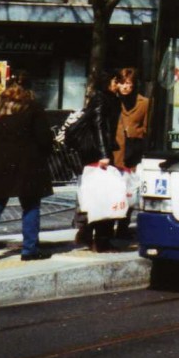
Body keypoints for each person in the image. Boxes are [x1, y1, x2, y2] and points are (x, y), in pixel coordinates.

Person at [0, 73, 53, 264]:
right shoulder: (33, 107)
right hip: (28, 162)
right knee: (31, 205)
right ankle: (29, 250)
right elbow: (44, 138)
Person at [74, 71, 121, 252]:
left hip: (100, 152)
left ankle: (89, 234)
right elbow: (99, 126)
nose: (117, 84)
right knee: (104, 195)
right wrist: (104, 153)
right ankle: (100, 239)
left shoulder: (109, 98)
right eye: (115, 81)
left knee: (98, 195)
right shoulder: (102, 99)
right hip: (98, 154)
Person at [111, 68, 149, 238]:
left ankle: (123, 226)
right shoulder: (112, 100)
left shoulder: (144, 103)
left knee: (129, 191)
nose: (125, 87)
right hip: (114, 152)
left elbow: (147, 128)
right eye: (122, 83)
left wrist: (136, 136)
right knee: (114, 190)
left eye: (129, 84)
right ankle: (109, 225)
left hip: (132, 153)